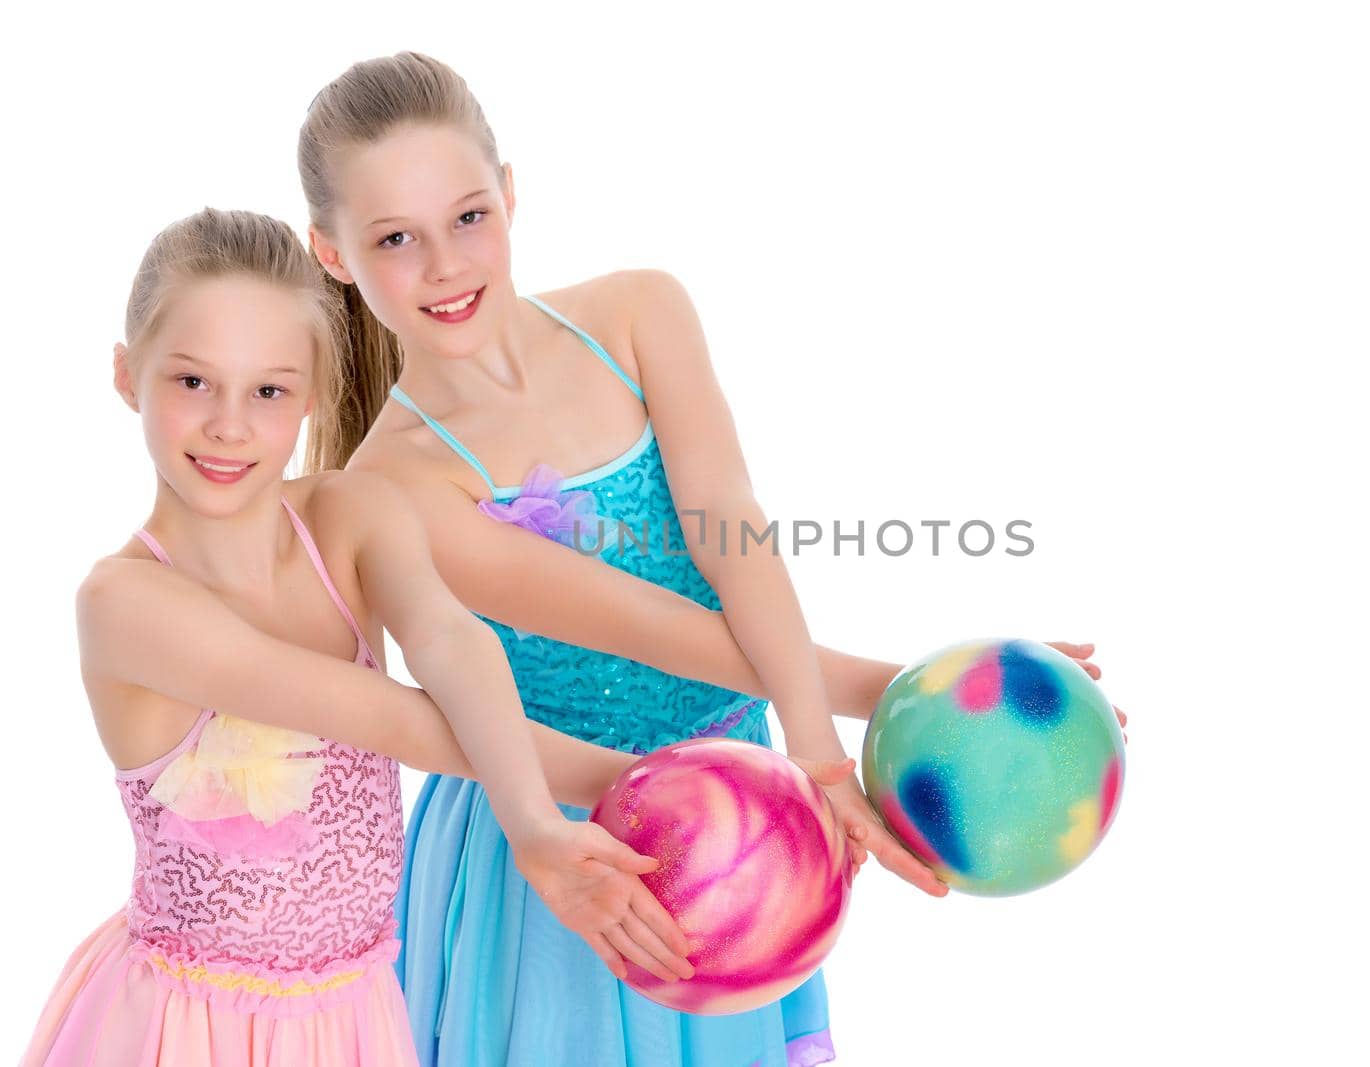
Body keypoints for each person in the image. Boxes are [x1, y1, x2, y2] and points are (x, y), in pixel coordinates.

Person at [298, 51, 1120, 1066]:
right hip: (587, 831)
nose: (446, 265)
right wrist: (910, 689)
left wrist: (865, 726)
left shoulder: (639, 313)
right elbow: (660, 632)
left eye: (469, 216)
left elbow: (733, 529)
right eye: (394, 239)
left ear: (510, 193)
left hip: (741, 822)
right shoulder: (395, 486)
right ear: (332, 254)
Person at [22, 207, 781, 1065]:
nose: (229, 424)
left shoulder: (350, 515)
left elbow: (454, 645)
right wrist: (618, 801)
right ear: (128, 375)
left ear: (309, 395)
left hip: (356, 1014)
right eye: (191, 382)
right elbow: (391, 718)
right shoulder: (125, 602)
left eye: (267, 390)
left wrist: (723, 796)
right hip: (192, 1029)